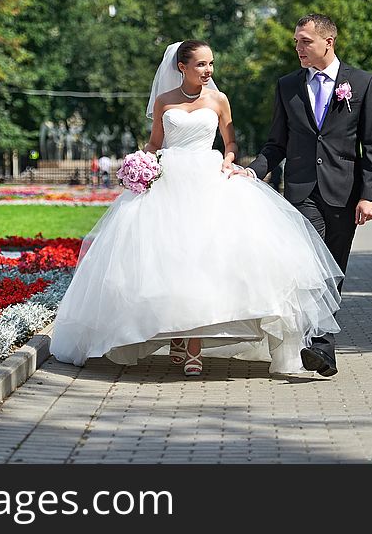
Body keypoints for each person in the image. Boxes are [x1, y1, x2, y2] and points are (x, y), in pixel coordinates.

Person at [50, 40, 343, 376]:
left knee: (204, 260)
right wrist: (141, 162)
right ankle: (177, 334)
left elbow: (230, 141)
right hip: (169, 181)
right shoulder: (164, 101)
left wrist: (231, 158)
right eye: (201, 64)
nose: (208, 71)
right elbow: (155, 142)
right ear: (182, 67)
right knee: (170, 260)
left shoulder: (218, 100)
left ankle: (194, 346)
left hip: (208, 177)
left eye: (211, 64)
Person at [234, 13, 372, 378]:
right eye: (296, 42)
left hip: (345, 194)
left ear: (327, 41)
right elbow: (276, 143)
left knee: (335, 272)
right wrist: (252, 171)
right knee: (310, 269)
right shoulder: (287, 85)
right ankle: (320, 346)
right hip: (302, 193)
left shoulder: (362, 84)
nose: (298, 47)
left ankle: (321, 347)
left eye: (305, 41)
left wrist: (368, 195)